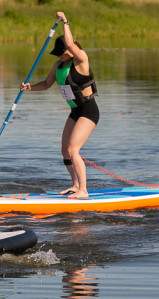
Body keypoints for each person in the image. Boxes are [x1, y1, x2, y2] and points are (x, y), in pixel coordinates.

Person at [19, 11, 99, 199]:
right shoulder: (58, 66)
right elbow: (46, 85)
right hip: (75, 111)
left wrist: (65, 21)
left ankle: (83, 191)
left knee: (73, 150)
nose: (60, 56)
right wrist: (29, 88)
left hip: (89, 111)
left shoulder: (81, 61)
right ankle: (75, 184)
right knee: (65, 150)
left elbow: (70, 43)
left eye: (62, 53)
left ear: (71, 51)